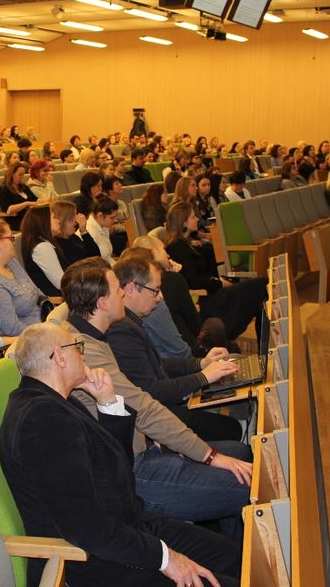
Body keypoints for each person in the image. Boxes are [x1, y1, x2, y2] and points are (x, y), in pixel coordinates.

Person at [1, 323, 242, 587]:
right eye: (77, 348)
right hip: (97, 560)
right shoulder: (42, 420)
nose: (83, 354)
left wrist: (108, 404)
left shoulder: (57, 400)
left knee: (232, 557)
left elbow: (116, 475)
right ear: (60, 357)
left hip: (127, 526)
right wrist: (165, 559)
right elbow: (85, 526)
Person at [58, 258, 252, 541]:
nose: (123, 293)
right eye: (117, 289)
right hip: (134, 472)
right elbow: (143, 408)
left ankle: (227, 542)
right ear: (102, 303)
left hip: (142, 450)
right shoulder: (86, 351)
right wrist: (210, 456)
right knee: (247, 486)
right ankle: (233, 555)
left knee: (241, 456)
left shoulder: (90, 336)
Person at [109, 253, 243, 442]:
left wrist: (201, 364)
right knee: (231, 428)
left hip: (160, 405)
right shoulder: (121, 331)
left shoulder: (130, 322)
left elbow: (159, 364)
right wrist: (203, 377)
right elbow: (154, 391)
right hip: (154, 416)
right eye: (155, 290)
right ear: (130, 289)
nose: (160, 297)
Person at [165, 203, 268, 340]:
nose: (197, 219)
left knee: (261, 294)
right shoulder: (177, 247)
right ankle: (264, 346)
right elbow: (192, 281)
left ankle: (264, 345)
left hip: (212, 293)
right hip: (207, 301)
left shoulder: (185, 243)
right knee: (261, 287)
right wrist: (219, 283)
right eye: (193, 217)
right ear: (183, 222)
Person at [0, 218, 44, 335]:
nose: (13, 242)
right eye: (11, 238)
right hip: (30, 335)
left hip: (43, 320)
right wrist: (44, 331)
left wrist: (48, 306)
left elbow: (35, 290)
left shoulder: (11, 261)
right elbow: (11, 328)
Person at [21, 203, 67, 296]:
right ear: (43, 222)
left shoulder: (43, 243)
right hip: (56, 299)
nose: (58, 221)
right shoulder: (42, 247)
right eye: (54, 217)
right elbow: (61, 283)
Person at [51, 199, 100, 265]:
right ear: (61, 220)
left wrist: (84, 231)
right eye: (71, 218)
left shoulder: (73, 237)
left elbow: (96, 256)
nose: (76, 221)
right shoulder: (57, 245)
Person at [0, 162, 39, 231]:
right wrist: (26, 203)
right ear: (11, 174)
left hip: (30, 217)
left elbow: (36, 200)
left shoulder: (23, 187)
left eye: (23, 175)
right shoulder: (3, 189)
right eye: (20, 175)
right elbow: (9, 210)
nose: (22, 177)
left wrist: (46, 201)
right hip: (17, 220)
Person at [86, 196, 120, 266]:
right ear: (100, 215)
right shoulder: (89, 231)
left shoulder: (103, 226)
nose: (115, 220)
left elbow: (107, 257)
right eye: (112, 218)